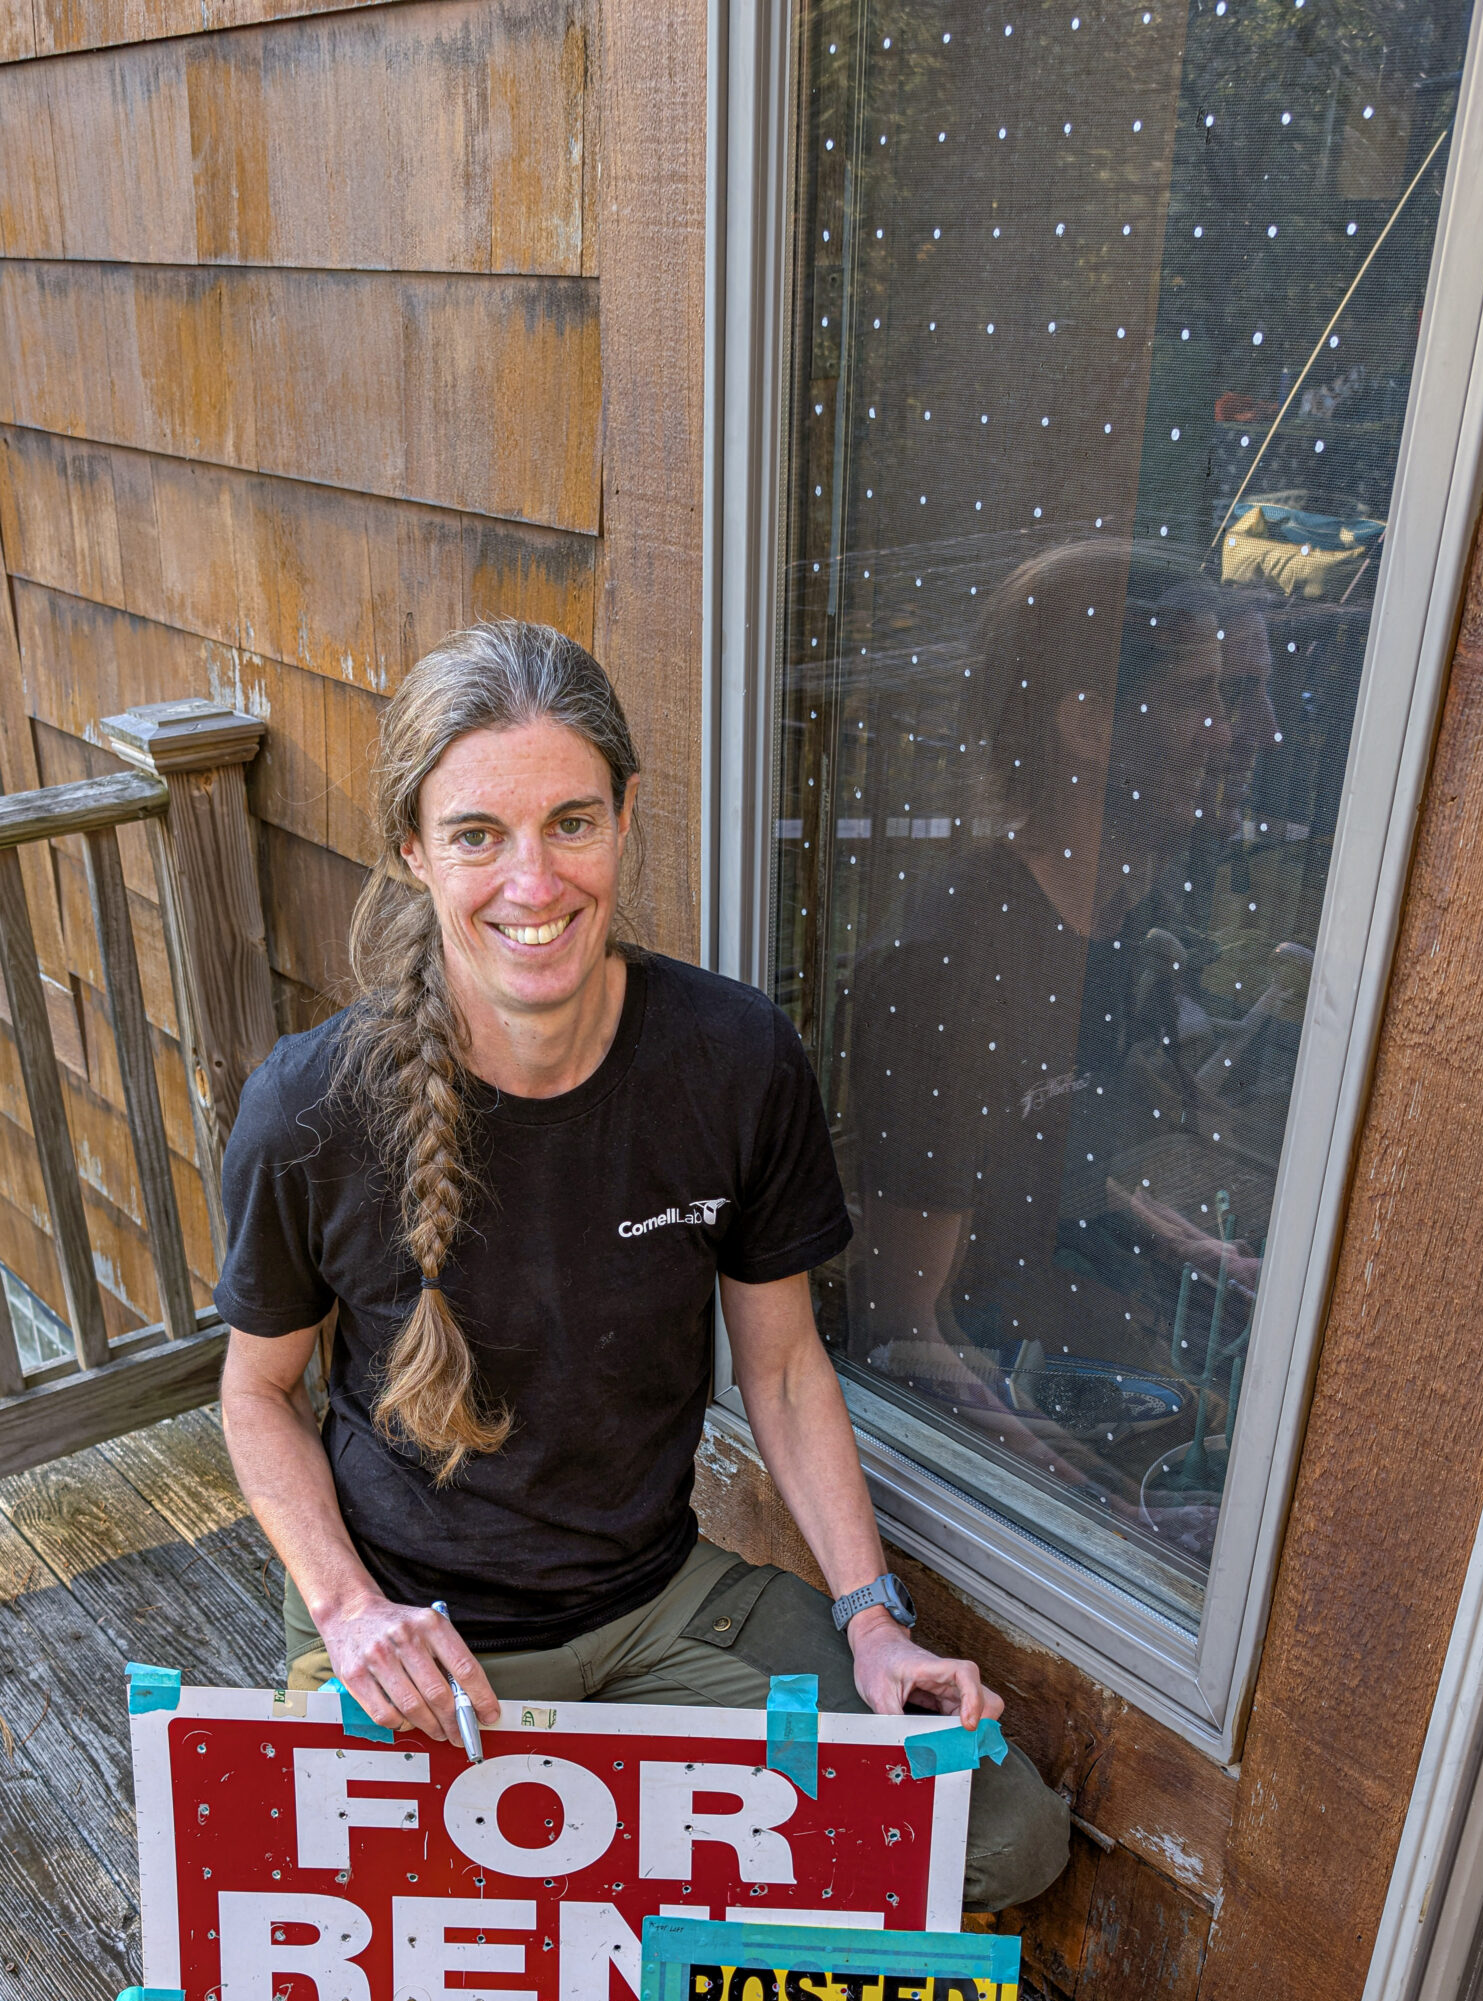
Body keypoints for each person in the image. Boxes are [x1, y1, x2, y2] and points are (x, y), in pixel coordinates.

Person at [213, 619, 1070, 1914]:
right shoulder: (311, 1108)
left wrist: (874, 1620)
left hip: (660, 1608)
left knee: (1000, 1832)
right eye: (476, 835)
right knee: (367, 1902)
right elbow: (254, 1394)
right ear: (412, 852)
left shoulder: (730, 1061)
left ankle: (622, 1915)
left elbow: (780, 1374)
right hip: (416, 1639)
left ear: (625, 818)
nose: (533, 882)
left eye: (572, 822)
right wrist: (345, 1616)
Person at [847, 540, 1267, 1568]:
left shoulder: (1120, 915)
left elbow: (1039, 1144)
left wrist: (1183, 1242)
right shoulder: (951, 959)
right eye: (1208, 697)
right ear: (1086, 723)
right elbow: (897, 1319)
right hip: (985, 1380)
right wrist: (1102, 1512)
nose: (1252, 734)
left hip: (1070, 1300)